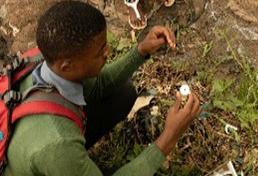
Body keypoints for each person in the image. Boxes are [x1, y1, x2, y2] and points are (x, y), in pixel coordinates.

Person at [4, 1, 200, 175]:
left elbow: (99, 85)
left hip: (41, 141)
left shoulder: (47, 58)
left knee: (123, 94)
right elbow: (58, 145)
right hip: (49, 153)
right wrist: (168, 138)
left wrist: (141, 51)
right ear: (67, 65)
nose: (108, 52)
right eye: (100, 52)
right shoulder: (58, 144)